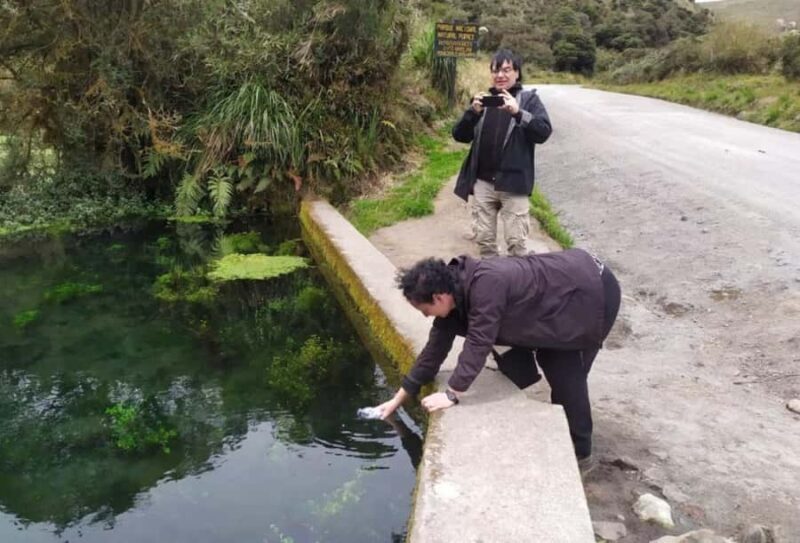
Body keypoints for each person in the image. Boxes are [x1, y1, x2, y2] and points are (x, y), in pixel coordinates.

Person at [376, 249, 621, 465]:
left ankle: (580, 453)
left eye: (425, 310)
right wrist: (397, 400)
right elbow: (433, 352)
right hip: (555, 298)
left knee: (565, 370)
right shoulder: (453, 294)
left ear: (438, 297)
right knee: (551, 358)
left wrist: (453, 393)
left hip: (591, 290)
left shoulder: (486, 285)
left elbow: (479, 341)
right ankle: (561, 431)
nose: (425, 316)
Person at [452, 49, 552, 257]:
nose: (500, 75)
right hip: (483, 183)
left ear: (517, 73)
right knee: (485, 242)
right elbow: (459, 135)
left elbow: (543, 132)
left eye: (507, 70)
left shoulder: (529, 100)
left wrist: (518, 113)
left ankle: (518, 286)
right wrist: (472, 112)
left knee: (517, 245)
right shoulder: (482, 101)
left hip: (514, 184)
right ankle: (493, 283)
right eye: (496, 70)